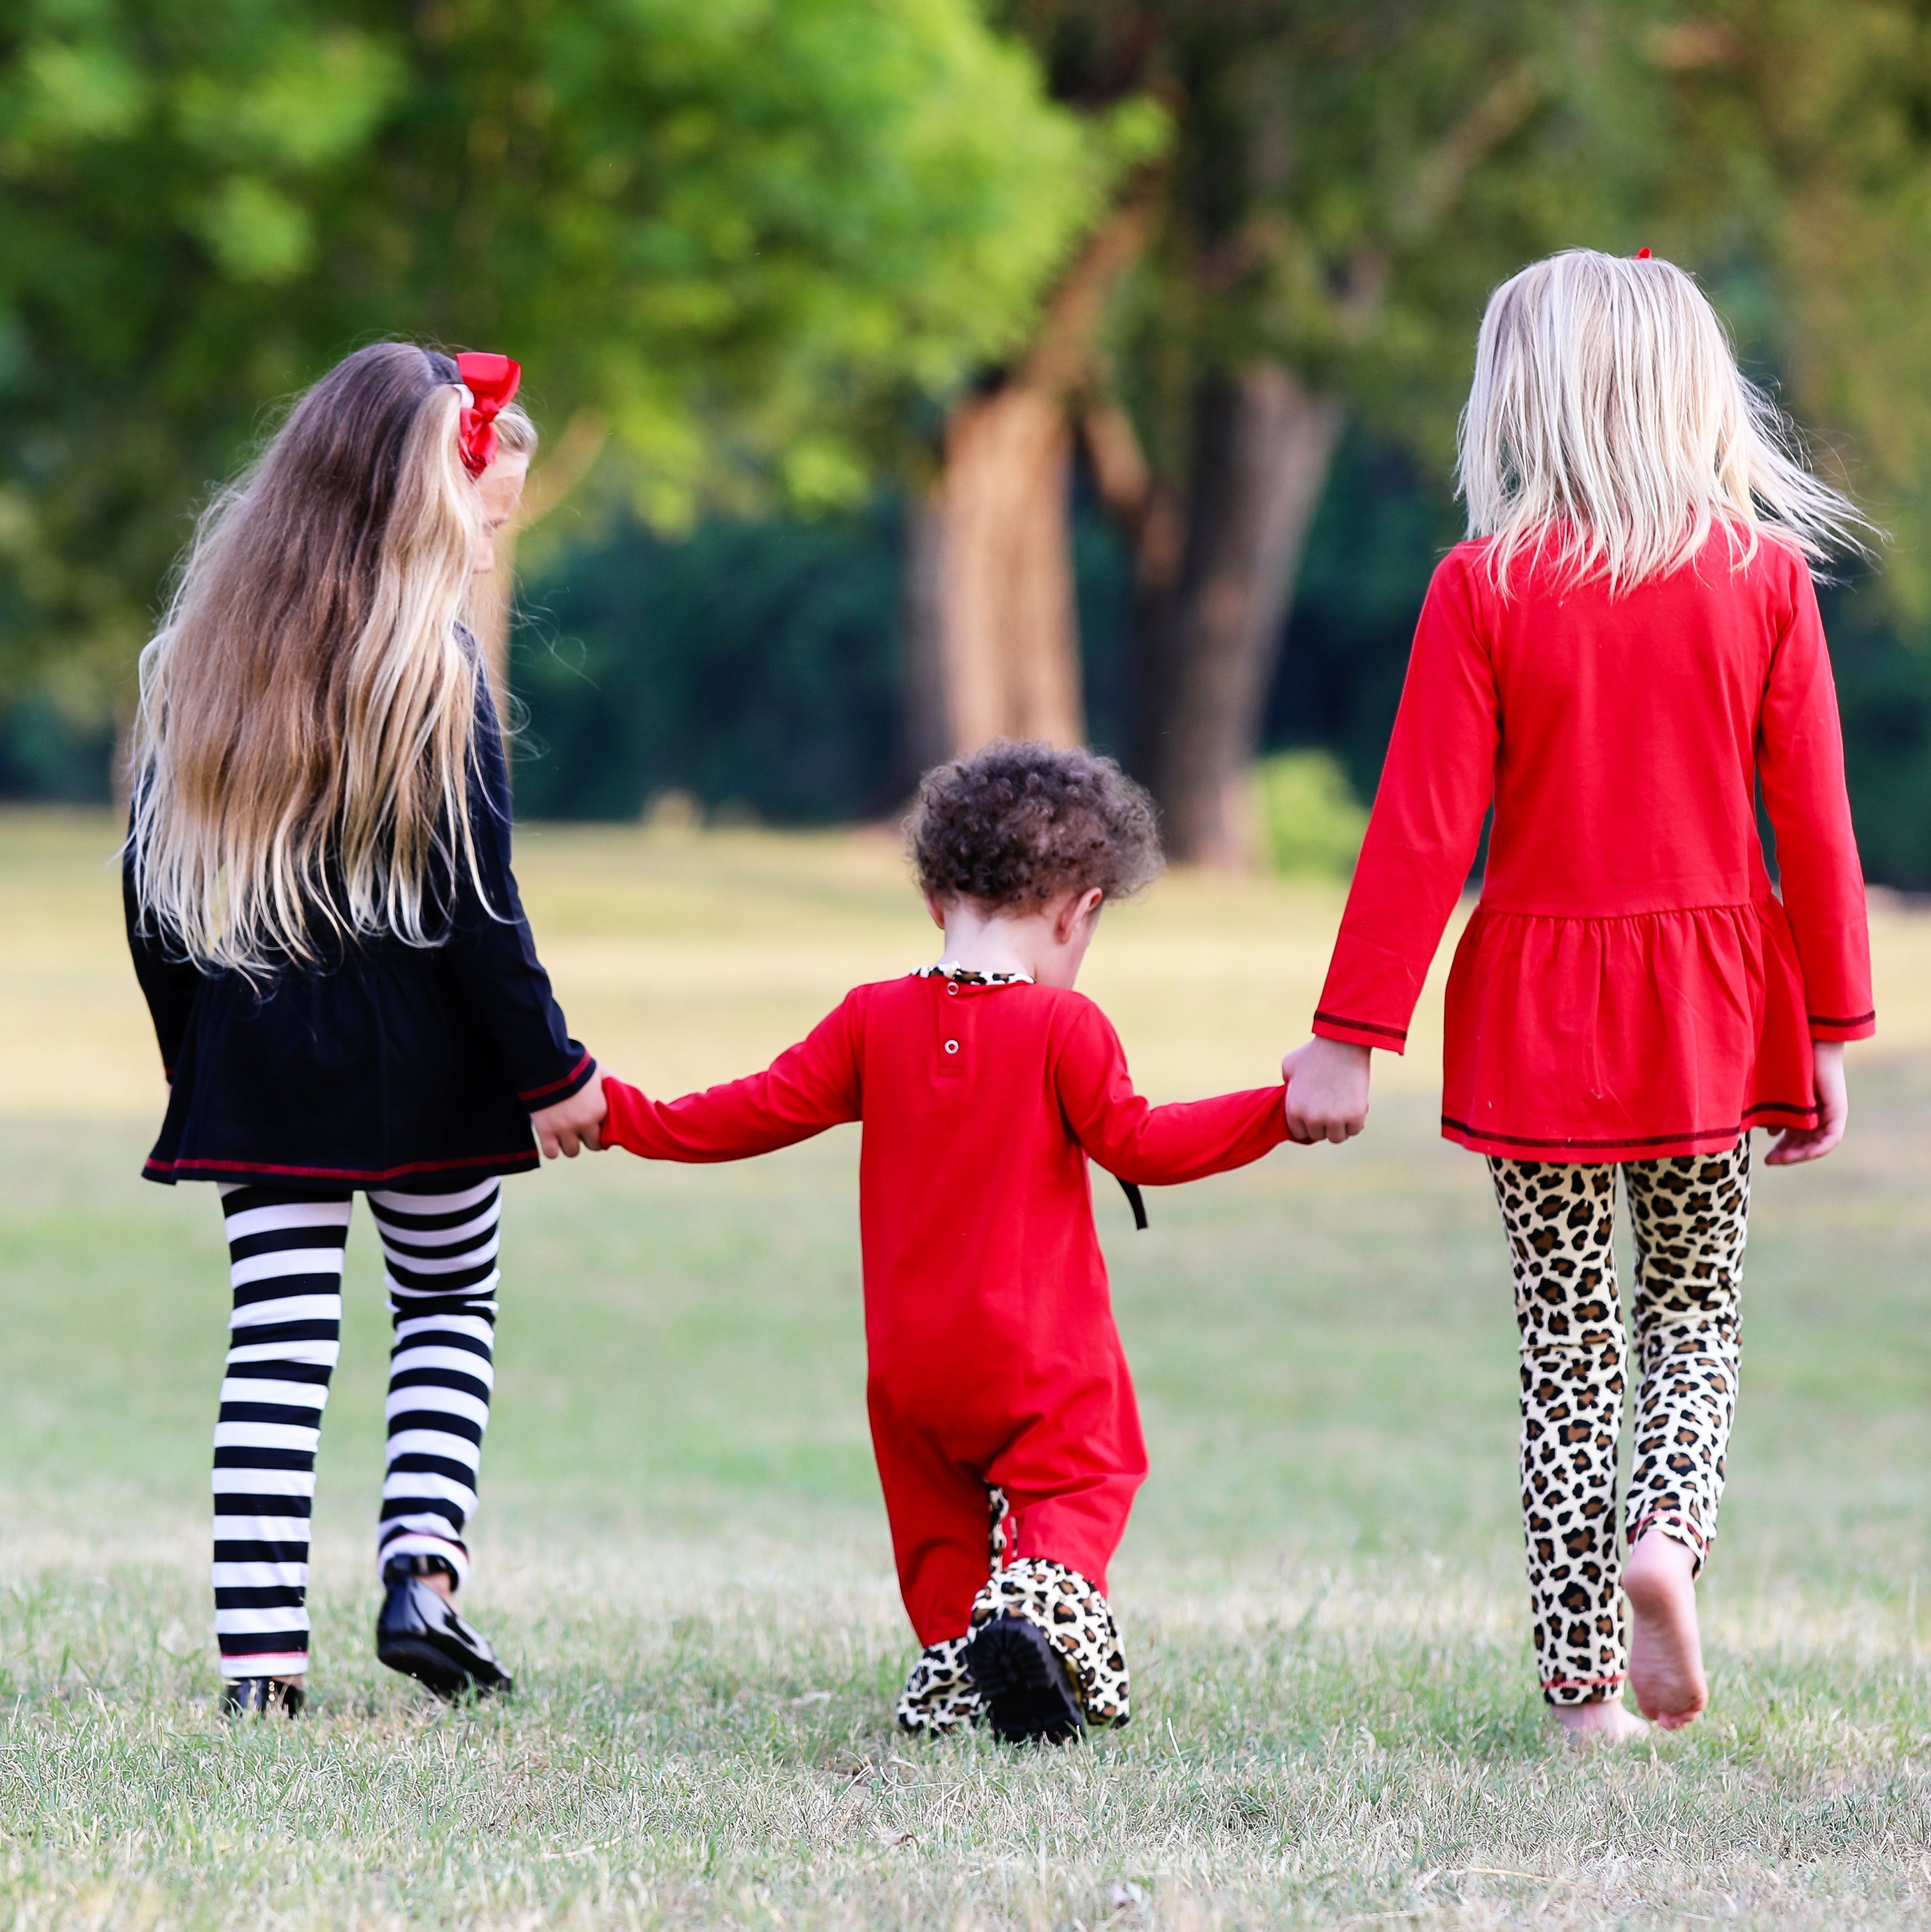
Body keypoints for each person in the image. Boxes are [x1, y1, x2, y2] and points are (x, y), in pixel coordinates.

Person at [1280, 248, 1875, 1742]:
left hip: (1538, 1010)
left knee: (1565, 1345)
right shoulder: (1762, 580)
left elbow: (1423, 825)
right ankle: (1667, 1539)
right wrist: (1834, 1025)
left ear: (1523, 403)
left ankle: (1579, 1701)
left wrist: (1350, 1037)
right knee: (1695, 1316)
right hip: (1715, 1013)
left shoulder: (1483, 585)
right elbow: (1816, 822)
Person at [597, 742, 1290, 1742]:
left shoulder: (870, 1020)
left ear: (934, 897)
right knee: (1085, 1475)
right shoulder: (1064, 1025)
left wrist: (619, 1112)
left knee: (936, 1525)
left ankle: (957, 1666)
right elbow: (1143, 1143)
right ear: (1077, 910)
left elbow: (740, 1114)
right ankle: (1034, 1615)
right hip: (1039, 1357)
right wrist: (1278, 1112)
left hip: (912, 1365)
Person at [123, 343, 607, 1717]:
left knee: (276, 1342)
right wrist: (553, 1072)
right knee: (446, 1297)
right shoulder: (432, 671)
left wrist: (193, 1059)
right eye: (480, 522)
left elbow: (146, 889)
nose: (484, 549)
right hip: (428, 1067)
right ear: (420, 508)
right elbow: (477, 909)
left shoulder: (201, 658)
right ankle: (420, 1570)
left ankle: (260, 1669)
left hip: (258, 1047)